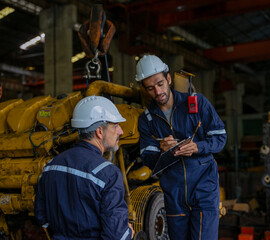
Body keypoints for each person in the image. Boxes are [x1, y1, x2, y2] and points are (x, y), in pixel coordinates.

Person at [136, 55, 227, 240]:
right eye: (150, 88)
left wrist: (197, 147)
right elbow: (147, 156)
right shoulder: (146, 120)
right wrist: (162, 149)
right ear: (145, 89)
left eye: (160, 84)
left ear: (168, 79)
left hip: (203, 185)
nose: (158, 91)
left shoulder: (197, 103)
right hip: (174, 191)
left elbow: (220, 137)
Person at [34, 95, 134, 240]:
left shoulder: (50, 167)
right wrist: (129, 232)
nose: (121, 131)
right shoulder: (109, 174)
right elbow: (116, 236)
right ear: (99, 132)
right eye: (115, 125)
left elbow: (41, 217)